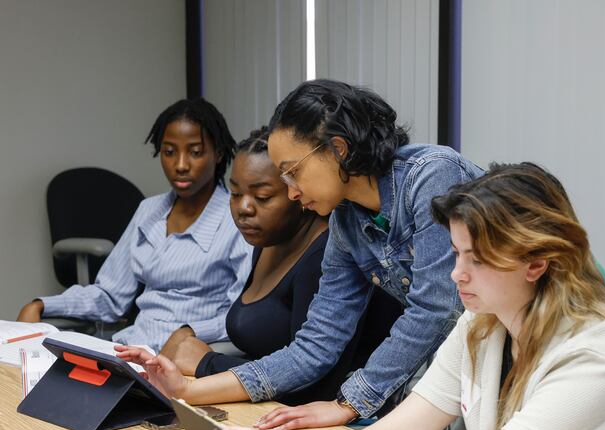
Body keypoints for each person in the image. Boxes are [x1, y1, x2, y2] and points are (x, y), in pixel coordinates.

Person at [121, 79, 485, 429]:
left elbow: (435, 308)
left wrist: (348, 403)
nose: (292, 192)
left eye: (293, 172)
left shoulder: (432, 176)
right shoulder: (345, 220)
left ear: (338, 149)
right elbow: (315, 346)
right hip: (457, 366)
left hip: (506, 353)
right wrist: (186, 390)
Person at [223, 163, 605, 430]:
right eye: (457, 254)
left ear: (536, 263)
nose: (457, 274)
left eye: (476, 259)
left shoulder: (597, 357)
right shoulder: (483, 323)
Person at [120, 127, 400, 404]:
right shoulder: (267, 242)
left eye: (262, 197)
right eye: (235, 193)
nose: (244, 208)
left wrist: (207, 363)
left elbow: (313, 384)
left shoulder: (324, 255)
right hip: (264, 399)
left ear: (298, 193)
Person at [17, 98, 252, 352]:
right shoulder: (149, 211)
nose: (180, 165)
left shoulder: (238, 220)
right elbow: (110, 295)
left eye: (195, 152)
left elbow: (240, 317)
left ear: (218, 153)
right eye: (169, 152)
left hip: (188, 357)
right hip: (130, 349)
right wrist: (42, 304)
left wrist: (190, 333)